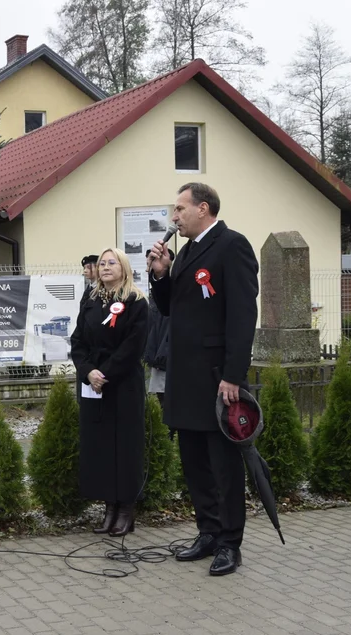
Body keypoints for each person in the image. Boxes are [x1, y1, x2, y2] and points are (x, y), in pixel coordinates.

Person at [148, 183, 259, 577]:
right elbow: (169, 310)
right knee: (194, 463)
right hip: (184, 378)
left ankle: (231, 543)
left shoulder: (232, 246)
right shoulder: (187, 253)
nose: (173, 217)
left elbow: (243, 316)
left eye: (179, 209)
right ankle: (208, 532)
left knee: (223, 465)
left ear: (203, 208)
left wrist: (233, 375)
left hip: (216, 380)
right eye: (173, 211)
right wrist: (161, 276)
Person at [70, 248, 149, 537]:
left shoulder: (136, 301)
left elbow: (133, 345)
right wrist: (88, 371)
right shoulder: (90, 299)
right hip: (94, 385)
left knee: (124, 448)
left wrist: (107, 373)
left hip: (123, 383)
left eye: (111, 262)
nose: (104, 267)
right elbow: (78, 341)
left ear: (124, 268)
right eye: (101, 263)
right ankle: (109, 509)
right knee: (101, 449)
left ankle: (126, 510)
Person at [144, 248, 175, 405]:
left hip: (164, 356)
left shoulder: (168, 291)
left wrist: (160, 355)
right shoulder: (153, 290)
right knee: (161, 398)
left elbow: (166, 326)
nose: (148, 265)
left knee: (167, 400)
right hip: (156, 354)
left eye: (151, 261)